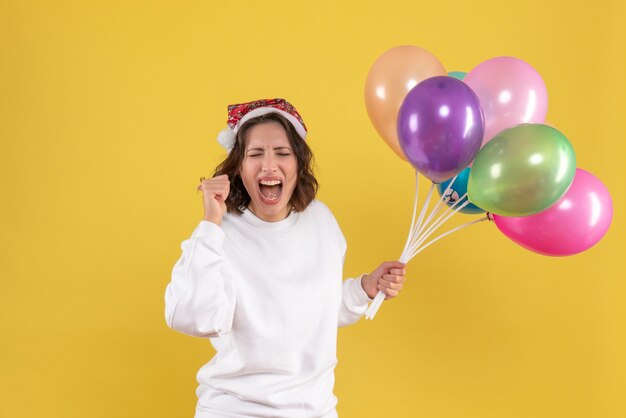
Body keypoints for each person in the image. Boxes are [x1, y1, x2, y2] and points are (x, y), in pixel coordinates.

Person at [164, 98, 407, 418]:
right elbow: (194, 317)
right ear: (238, 166)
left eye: (282, 153)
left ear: (298, 163)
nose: (268, 166)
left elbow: (316, 312)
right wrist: (210, 223)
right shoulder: (221, 233)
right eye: (255, 154)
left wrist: (365, 288)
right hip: (235, 409)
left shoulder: (321, 221)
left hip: (314, 409)